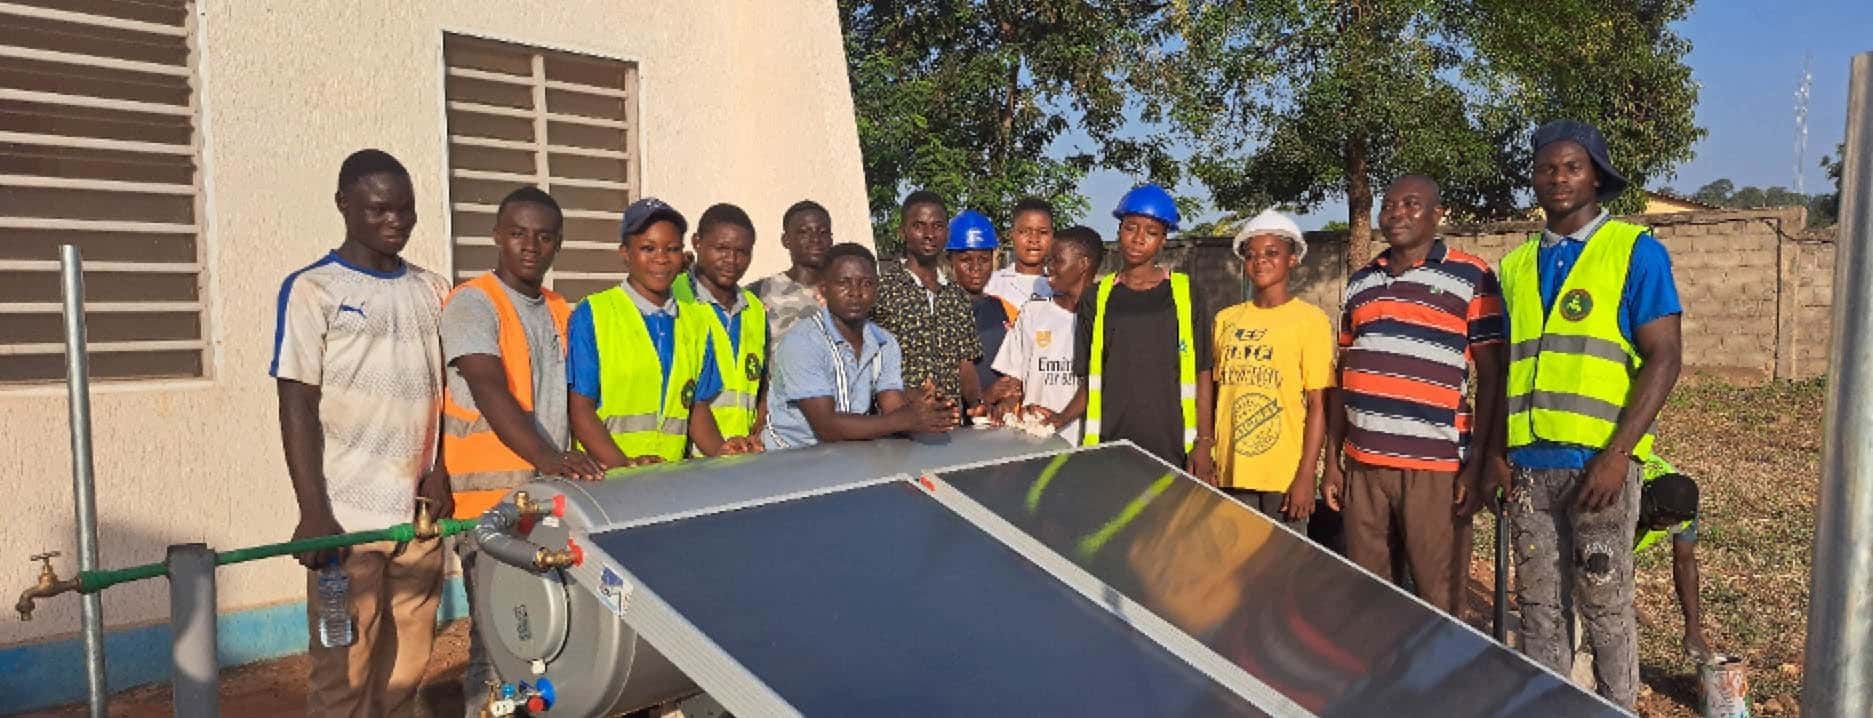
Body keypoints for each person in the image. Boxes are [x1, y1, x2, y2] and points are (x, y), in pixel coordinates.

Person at [1489, 119, 1684, 709]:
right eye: (1546, 168)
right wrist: (1497, 454)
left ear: (1596, 177)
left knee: (1604, 603)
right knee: (1538, 607)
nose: (1558, 178)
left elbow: (1665, 356)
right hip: (1529, 466)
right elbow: (1504, 370)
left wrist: (1618, 454)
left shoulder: (1634, 252)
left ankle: (1616, 706)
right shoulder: (1515, 267)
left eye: (1572, 167)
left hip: (1599, 467)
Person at [271, 149, 450, 716]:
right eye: (378, 209)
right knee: (343, 675)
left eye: (405, 209)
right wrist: (313, 513)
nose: (395, 221)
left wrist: (440, 469)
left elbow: (445, 390)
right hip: (345, 527)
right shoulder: (313, 290)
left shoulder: (433, 288)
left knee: (406, 671)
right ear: (343, 205)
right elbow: (296, 403)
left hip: (418, 521)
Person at [437, 186, 604, 716]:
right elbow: (489, 389)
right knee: (497, 646)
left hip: (543, 503)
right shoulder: (473, 303)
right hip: (487, 507)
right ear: (496, 236)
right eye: (517, 234)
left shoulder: (560, 310)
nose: (531, 246)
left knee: (543, 638)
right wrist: (550, 458)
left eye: (544, 237)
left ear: (559, 244)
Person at [1320, 175, 1507, 617]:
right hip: (1364, 464)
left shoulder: (1471, 275)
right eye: (1388, 205)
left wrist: (1479, 463)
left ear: (1437, 214)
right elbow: (1345, 372)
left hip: (1435, 467)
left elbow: (1493, 375)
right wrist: (1332, 461)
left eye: (1411, 204)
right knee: (1371, 597)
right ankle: (1382, 662)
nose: (1396, 213)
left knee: (1439, 601)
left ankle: (1443, 665)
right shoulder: (1362, 281)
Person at [567, 197, 737, 467]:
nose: (661, 258)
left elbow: (696, 408)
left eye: (672, 249)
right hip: (608, 478)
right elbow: (580, 409)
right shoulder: (594, 313)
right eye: (648, 248)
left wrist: (722, 451)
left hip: (667, 478)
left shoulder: (696, 321)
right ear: (625, 253)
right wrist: (625, 467)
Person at [1063, 183, 1215, 471]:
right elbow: (1090, 380)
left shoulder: (1186, 293)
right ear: (1119, 230)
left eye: (1151, 232)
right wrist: (1058, 419)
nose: (1138, 239)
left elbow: (1203, 371)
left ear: (1163, 239)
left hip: (1174, 449)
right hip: (1110, 447)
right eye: (1130, 228)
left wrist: (1205, 442)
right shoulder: (1097, 297)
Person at [1208, 209, 1334, 533]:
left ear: (1292, 259)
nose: (1260, 261)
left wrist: (1306, 475)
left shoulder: (1310, 321)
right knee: (1235, 559)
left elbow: (1319, 405)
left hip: (1284, 477)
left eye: (1271, 253)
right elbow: (1217, 394)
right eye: (1251, 255)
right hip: (1231, 472)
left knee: (1285, 562)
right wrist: (1209, 452)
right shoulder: (1226, 320)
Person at [761, 243, 959, 449]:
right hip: (792, 456)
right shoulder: (803, 342)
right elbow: (826, 427)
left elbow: (892, 405)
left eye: (866, 283)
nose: (855, 292)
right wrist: (907, 419)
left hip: (849, 453)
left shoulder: (884, 342)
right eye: (843, 283)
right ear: (823, 289)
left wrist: (929, 411)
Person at [1569, 455, 1709, 685]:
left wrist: (1692, 627)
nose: (1662, 527)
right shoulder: (1620, 488)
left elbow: (1684, 561)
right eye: (1658, 520)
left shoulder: (1684, 509)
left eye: (1668, 524)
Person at [986, 226, 1103, 441]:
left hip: (1085, 444)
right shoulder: (1033, 312)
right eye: (1049, 260)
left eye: (1057, 260)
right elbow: (1014, 377)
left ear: (1083, 264)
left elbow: (1102, 381)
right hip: (1035, 439)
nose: (1049, 267)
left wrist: (1061, 418)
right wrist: (1008, 404)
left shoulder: (1106, 317)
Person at [872, 190, 983, 409]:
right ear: (903, 232)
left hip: (950, 420)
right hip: (898, 421)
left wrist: (976, 403)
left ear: (947, 233)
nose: (929, 234)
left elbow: (965, 364)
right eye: (919, 226)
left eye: (937, 226)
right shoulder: (881, 290)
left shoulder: (957, 296)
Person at [674, 203, 768, 455]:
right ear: (697, 242)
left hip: (739, 453)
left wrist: (758, 428)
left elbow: (761, 382)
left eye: (742, 252)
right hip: (686, 457)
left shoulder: (754, 308)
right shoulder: (675, 297)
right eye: (722, 249)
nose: (732, 260)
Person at [947, 209, 1016, 399]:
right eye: (965, 260)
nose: (975, 268)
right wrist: (984, 397)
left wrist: (1009, 399)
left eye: (984, 260)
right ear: (950, 260)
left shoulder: (1006, 309)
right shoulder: (939, 310)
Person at [748, 200, 833, 340]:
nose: (815, 239)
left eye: (823, 232)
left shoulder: (848, 292)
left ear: (831, 239)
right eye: (804, 232)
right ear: (785, 240)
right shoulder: (758, 294)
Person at [983, 196, 1055, 308]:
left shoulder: (1063, 288)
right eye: (1025, 232)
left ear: (1052, 236)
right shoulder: (990, 285)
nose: (1034, 239)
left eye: (1043, 232)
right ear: (1012, 235)